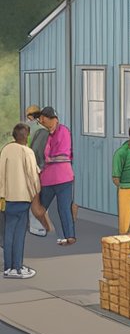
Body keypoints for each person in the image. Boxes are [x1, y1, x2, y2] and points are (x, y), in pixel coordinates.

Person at [2, 124, 42, 279]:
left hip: (8, 198)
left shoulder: (6, 150)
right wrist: (36, 193)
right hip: (23, 198)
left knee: (8, 233)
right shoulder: (27, 152)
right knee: (19, 234)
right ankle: (17, 268)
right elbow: (33, 175)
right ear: (26, 136)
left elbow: (1, 174)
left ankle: (8, 268)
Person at [37, 107, 76, 246]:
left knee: (63, 207)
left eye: (43, 119)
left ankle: (69, 235)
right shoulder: (45, 134)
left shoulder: (63, 131)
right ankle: (42, 229)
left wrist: (48, 160)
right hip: (48, 178)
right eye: (40, 120)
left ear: (53, 118)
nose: (41, 122)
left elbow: (64, 155)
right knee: (41, 206)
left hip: (62, 177)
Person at [24, 106, 49, 237]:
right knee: (38, 198)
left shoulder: (25, 128)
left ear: (29, 116)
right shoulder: (42, 130)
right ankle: (38, 227)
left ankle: (33, 226)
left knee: (30, 197)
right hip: (37, 168)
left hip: (27, 166)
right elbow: (39, 152)